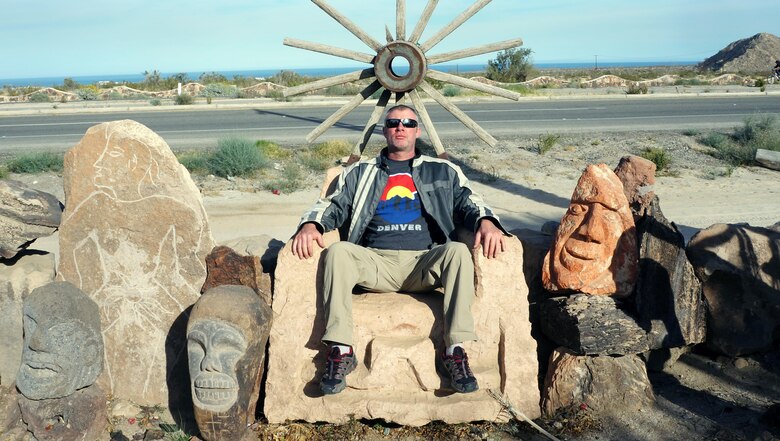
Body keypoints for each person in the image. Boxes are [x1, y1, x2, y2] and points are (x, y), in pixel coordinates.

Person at [292, 104, 508, 395]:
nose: (400, 127)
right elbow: (333, 205)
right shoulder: (360, 172)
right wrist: (312, 225)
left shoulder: (442, 170)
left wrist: (486, 220)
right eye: (393, 122)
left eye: (408, 123)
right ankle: (342, 351)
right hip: (375, 263)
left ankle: (454, 351)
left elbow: (469, 201)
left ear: (417, 131)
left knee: (457, 251)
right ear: (385, 130)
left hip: (424, 262)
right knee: (338, 252)